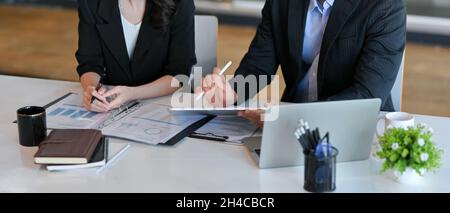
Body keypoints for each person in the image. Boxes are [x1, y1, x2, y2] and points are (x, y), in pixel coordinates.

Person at [198, 0, 406, 127]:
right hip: (289, 127)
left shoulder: (384, 5)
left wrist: (292, 119)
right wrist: (233, 92)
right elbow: (258, 65)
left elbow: (368, 94)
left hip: (353, 126)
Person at [76, 0, 195, 112]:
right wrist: (92, 90)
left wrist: (133, 93)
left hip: (164, 105)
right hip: (111, 106)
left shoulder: (180, 2)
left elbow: (179, 74)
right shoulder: (91, 3)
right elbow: (89, 63)